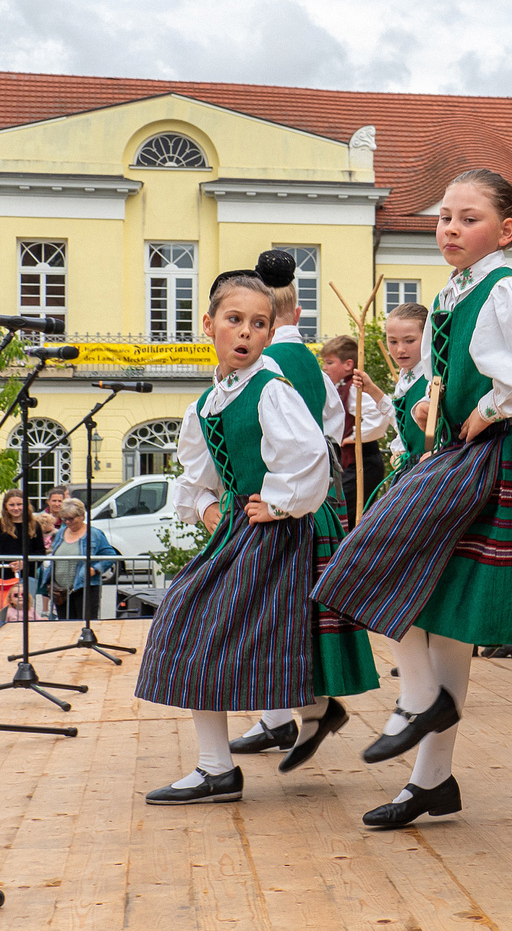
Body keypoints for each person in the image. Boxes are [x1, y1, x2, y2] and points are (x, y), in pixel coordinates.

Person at [313, 167, 512, 829]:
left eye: (469, 218)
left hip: (496, 454)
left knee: (374, 561)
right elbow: (443, 369)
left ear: (506, 231)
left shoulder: (507, 292)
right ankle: (432, 778)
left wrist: (488, 407)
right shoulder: (454, 293)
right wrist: (432, 397)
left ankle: (421, 707)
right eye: (445, 216)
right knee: (437, 608)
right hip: (456, 450)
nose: (450, 228)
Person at [134, 266, 378, 806]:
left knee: (205, 630)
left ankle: (221, 766)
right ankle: (229, 760)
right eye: (234, 320)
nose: (245, 332)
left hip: (274, 537)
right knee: (203, 629)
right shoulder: (207, 403)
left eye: (258, 323)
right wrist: (207, 511)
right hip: (237, 533)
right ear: (209, 324)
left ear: (271, 334)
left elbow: (313, 455)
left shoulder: (270, 389)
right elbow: (195, 478)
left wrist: (279, 501)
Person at [226, 249, 361, 758]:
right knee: (282, 611)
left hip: (279, 501)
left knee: (269, 611)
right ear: (299, 314)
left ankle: (294, 714)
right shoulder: (309, 360)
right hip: (316, 496)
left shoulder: (262, 366)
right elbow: (333, 424)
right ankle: (287, 715)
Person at [351, 302, 431, 484]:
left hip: (429, 473)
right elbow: (403, 423)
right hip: (410, 473)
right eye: (393, 341)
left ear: (427, 337)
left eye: (409, 341)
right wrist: (371, 389)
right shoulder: (406, 378)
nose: (400, 349)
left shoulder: (432, 377)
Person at [321, 335, 391, 512]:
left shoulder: (355, 388)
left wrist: (355, 437)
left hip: (364, 463)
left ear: (348, 365)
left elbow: (379, 415)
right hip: (350, 464)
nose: (324, 367)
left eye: (330, 362)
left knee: (340, 510)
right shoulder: (339, 388)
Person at [37, 498, 120, 621]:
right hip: (61, 591)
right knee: (64, 626)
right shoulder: (61, 533)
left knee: (84, 625)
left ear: (82, 516)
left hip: (84, 589)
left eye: (71, 518)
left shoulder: (94, 534)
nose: (68, 522)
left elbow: (110, 555)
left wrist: (94, 569)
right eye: (65, 519)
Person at [0, 491, 42, 616]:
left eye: (19, 504)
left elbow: (40, 552)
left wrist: (24, 563)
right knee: (3, 612)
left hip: (26, 576)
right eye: (12, 505)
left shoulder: (34, 525)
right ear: (5, 506)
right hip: (3, 576)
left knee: (26, 612)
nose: (16, 508)